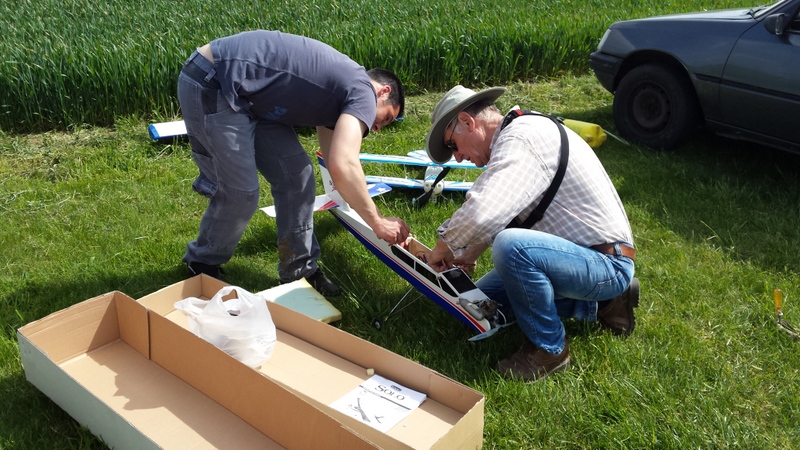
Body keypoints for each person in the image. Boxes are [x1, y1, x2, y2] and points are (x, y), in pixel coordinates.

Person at [424, 85, 639, 382]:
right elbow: (507, 211)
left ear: (467, 121)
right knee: (480, 305)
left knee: (511, 247)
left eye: (452, 145)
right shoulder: (518, 134)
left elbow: (486, 210)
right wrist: (469, 254)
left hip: (606, 263)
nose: (457, 158)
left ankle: (550, 350)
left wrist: (444, 246)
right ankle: (603, 303)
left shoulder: (521, 138)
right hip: (582, 257)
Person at [177, 30, 410, 296]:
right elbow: (343, 164)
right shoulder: (363, 91)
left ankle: (299, 269)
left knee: (297, 177)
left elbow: (335, 160)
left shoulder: (343, 92)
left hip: (251, 95)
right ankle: (203, 262)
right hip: (216, 80)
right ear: (383, 91)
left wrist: (353, 197)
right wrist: (378, 222)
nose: (378, 128)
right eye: (387, 118)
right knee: (240, 193)